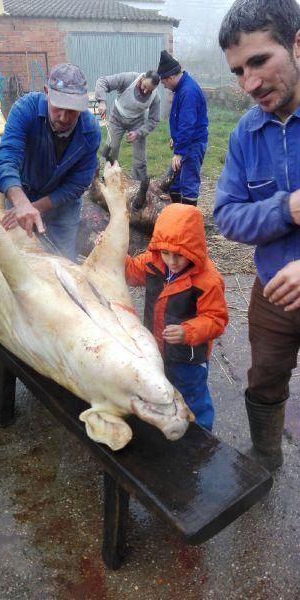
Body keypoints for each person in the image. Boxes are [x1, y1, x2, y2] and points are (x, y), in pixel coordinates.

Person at [214, 0, 300, 469]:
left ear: (298, 43)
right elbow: (226, 216)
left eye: (260, 60)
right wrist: (285, 208)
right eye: (238, 70)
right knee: (265, 378)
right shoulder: (246, 135)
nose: (249, 84)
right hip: (271, 294)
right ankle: (266, 458)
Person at [125, 203, 228, 430]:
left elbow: (216, 319)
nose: (172, 261)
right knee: (160, 389)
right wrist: (114, 252)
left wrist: (187, 331)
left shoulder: (207, 281)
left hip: (188, 357)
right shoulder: (153, 263)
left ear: (194, 249)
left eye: (180, 255)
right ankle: (167, 428)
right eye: (166, 253)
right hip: (156, 349)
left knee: (192, 397)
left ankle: (201, 440)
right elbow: (131, 271)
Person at [0, 63, 101, 261]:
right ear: (47, 92)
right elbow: (5, 157)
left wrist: (37, 207)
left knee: (64, 260)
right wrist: (22, 203)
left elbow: (78, 183)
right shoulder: (25, 110)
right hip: (21, 195)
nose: (64, 117)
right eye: (58, 107)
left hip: (62, 206)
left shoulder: (90, 130)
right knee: (19, 260)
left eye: (72, 110)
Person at [95, 70, 160, 206]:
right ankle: (108, 180)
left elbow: (154, 120)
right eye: (144, 86)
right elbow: (103, 81)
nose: (145, 91)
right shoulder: (128, 79)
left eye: (149, 89)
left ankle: (140, 189)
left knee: (140, 157)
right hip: (117, 117)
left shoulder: (155, 97)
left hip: (137, 122)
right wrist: (102, 101)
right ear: (142, 78)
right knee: (112, 148)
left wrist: (139, 133)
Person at [157, 50, 208, 206]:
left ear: (171, 77)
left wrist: (179, 152)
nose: (164, 86)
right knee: (175, 180)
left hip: (192, 144)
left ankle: (188, 220)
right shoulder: (180, 88)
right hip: (185, 142)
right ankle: (176, 215)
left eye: (164, 82)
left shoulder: (188, 91)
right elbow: (179, 119)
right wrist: (176, 138)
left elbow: (188, 124)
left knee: (189, 182)